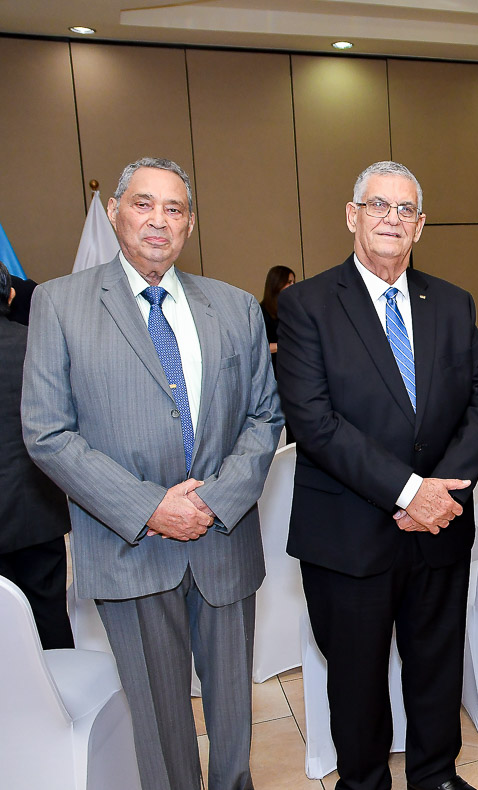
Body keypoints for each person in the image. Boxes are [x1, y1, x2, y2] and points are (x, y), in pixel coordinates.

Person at [21, 157, 283, 790]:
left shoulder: (236, 307)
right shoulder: (59, 304)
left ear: (189, 224)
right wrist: (150, 508)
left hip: (222, 540)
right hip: (129, 545)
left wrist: (213, 501)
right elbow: (47, 432)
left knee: (233, 720)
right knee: (160, 730)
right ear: (115, 213)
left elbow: (265, 416)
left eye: (174, 209)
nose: (158, 220)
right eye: (143, 204)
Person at [276, 160, 478, 790]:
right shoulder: (307, 305)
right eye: (378, 205)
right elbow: (314, 422)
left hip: (440, 527)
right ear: (352, 216)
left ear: (420, 226)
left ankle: (437, 777)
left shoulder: (451, 302)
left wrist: (442, 490)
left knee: (437, 668)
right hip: (349, 533)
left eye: (405, 210)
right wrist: (408, 492)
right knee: (357, 680)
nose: (391, 219)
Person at [0, 260, 73, 650]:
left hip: (32, 511)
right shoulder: (37, 345)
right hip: (36, 511)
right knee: (49, 617)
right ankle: (59, 688)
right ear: (11, 295)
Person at [260, 264, 296, 358]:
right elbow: (260, 347)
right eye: (289, 282)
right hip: (274, 362)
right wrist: (287, 346)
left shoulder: (291, 308)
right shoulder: (262, 312)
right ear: (277, 284)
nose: (293, 285)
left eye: (294, 282)